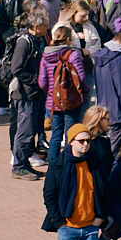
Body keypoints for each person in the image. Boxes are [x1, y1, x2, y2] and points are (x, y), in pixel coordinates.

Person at [4, 6, 49, 173]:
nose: (47, 29)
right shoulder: (25, 41)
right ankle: (19, 166)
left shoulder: (36, 39)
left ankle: (25, 164)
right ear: (36, 26)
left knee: (30, 131)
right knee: (25, 131)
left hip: (34, 93)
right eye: (45, 26)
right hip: (25, 94)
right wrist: (35, 80)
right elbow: (17, 68)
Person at [39, 20, 90, 159]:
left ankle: (53, 167)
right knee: (71, 133)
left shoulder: (45, 56)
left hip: (53, 102)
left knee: (55, 135)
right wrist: (85, 92)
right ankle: (68, 164)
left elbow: (42, 82)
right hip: (71, 100)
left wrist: (50, 93)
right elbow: (81, 78)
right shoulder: (73, 55)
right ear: (68, 39)